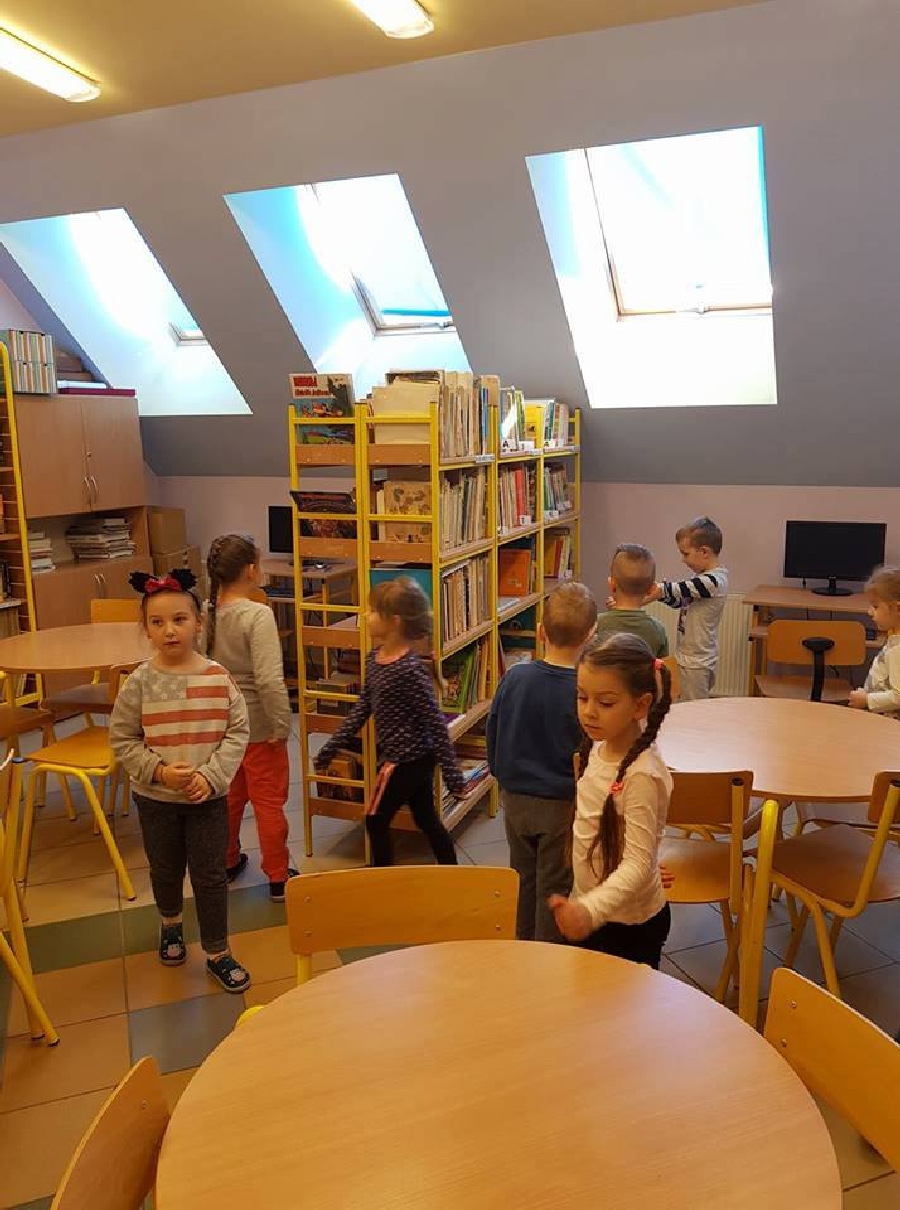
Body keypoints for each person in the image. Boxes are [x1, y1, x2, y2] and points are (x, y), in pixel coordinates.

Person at [109, 569, 251, 992]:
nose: (169, 630)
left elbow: (237, 732)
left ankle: (217, 951)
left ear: (199, 623)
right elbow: (122, 738)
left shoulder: (218, 678)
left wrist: (211, 776)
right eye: (157, 622)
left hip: (207, 800)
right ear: (146, 629)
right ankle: (170, 923)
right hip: (156, 800)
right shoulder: (139, 682)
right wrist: (159, 772)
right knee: (166, 869)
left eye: (179, 619)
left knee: (210, 875)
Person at [314, 577, 464, 866]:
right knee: (426, 818)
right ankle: (451, 871)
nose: (365, 616)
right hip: (408, 759)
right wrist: (332, 747)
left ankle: (381, 878)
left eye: (372, 611)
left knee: (375, 818)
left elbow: (436, 724)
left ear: (394, 621)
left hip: (407, 762)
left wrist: (453, 776)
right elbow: (362, 709)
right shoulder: (374, 659)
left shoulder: (409, 670)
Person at [549, 632, 673, 969]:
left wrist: (590, 910)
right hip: (594, 908)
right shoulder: (600, 747)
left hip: (626, 926)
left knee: (622, 1003)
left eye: (605, 703)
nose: (588, 712)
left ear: (640, 705)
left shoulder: (641, 774)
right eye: (581, 697)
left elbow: (636, 862)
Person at [487, 582, 598, 941]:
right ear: (591, 636)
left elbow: (494, 729)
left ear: (540, 631)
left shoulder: (514, 678)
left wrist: (500, 774)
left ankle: (522, 944)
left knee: (521, 877)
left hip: (516, 799)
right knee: (554, 886)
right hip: (561, 804)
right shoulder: (585, 693)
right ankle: (547, 954)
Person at [205, 534, 297, 902]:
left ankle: (227, 861)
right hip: (258, 726)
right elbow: (269, 679)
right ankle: (278, 876)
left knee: (230, 799)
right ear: (249, 570)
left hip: (221, 726)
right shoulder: (258, 615)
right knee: (268, 801)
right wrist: (281, 723)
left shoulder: (206, 613)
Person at [647, 516, 727, 701]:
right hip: (687, 658)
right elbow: (681, 601)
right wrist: (660, 595)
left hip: (697, 662)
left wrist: (662, 589)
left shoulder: (715, 581)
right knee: (684, 702)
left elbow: (682, 588)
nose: (683, 560)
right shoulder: (701, 581)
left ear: (704, 552)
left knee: (695, 709)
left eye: (686, 554)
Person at [599, 544, 669, 657]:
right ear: (652, 589)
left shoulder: (597, 625)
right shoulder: (658, 630)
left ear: (611, 584)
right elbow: (661, 664)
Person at [849, 565, 900, 718]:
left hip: (888, 722)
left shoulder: (897, 650)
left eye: (876, 606)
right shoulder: (893, 637)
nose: (870, 612)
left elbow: (898, 696)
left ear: (897, 609)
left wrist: (867, 700)